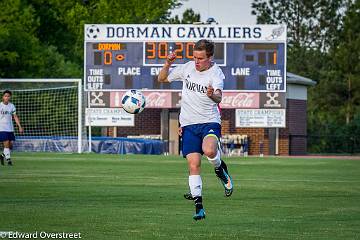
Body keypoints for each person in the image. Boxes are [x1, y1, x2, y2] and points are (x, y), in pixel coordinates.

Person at [158, 39, 233, 221]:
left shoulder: (216, 73)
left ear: (210, 57)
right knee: (194, 165)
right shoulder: (187, 68)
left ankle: (219, 169)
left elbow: (219, 97)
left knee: (209, 150)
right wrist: (168, 63)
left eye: (200, 58)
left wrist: (212, 94)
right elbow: (162, 78)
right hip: (189, 125)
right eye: (194, 57)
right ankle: (199, 207)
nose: (196, 61)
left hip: (209, 122)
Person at [0, 90, 23, 166]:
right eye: (5, 96)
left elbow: (15, 116)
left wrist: (19, 126)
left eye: (8, 96)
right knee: (6, 144)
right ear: (3, 97)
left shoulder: (12, 106)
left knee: (11, 145)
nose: (7, 97)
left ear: (10, 97)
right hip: (2, 128)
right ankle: (9, 161)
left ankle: (2, 156)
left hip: (10, 128)